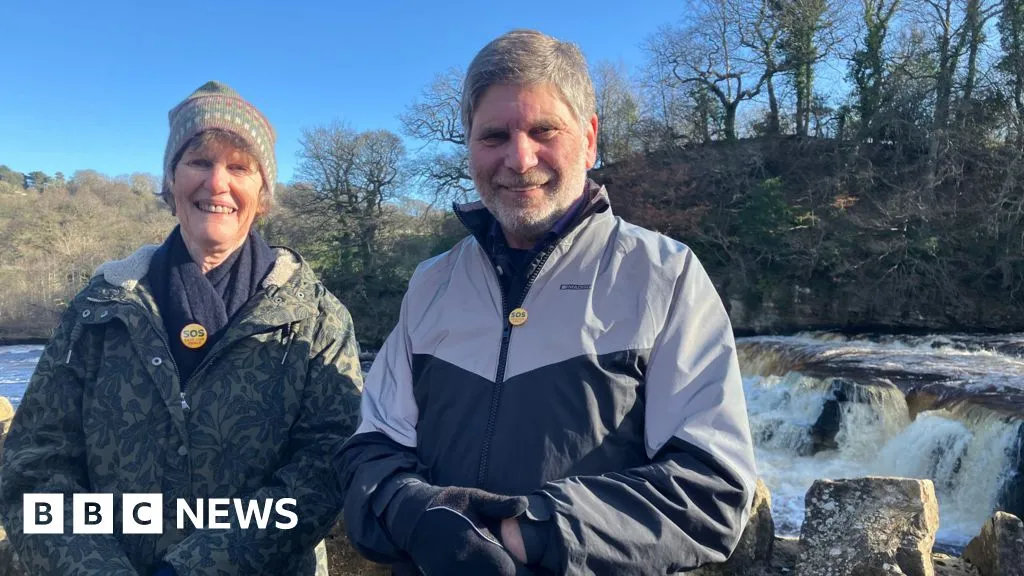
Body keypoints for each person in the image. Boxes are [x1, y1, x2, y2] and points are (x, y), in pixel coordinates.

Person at [337, 29, 758, 576]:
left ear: (589, 137)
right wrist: (420, 516)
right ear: (468, 145)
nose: (519, 157)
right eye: (493, 136)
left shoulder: (663, 275)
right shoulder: (431, 284)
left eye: (543, 130)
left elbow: (714, 487)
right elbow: (370, 450)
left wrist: (529, 532)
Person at [0, 81, 364, 576]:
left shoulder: (318, 318)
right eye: (199, 162)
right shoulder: (98, 309)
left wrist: (194, 569)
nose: (217, 183)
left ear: (263, 194)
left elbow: (326, 467)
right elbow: (35, 468)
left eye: (239, 167)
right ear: (170, 182)